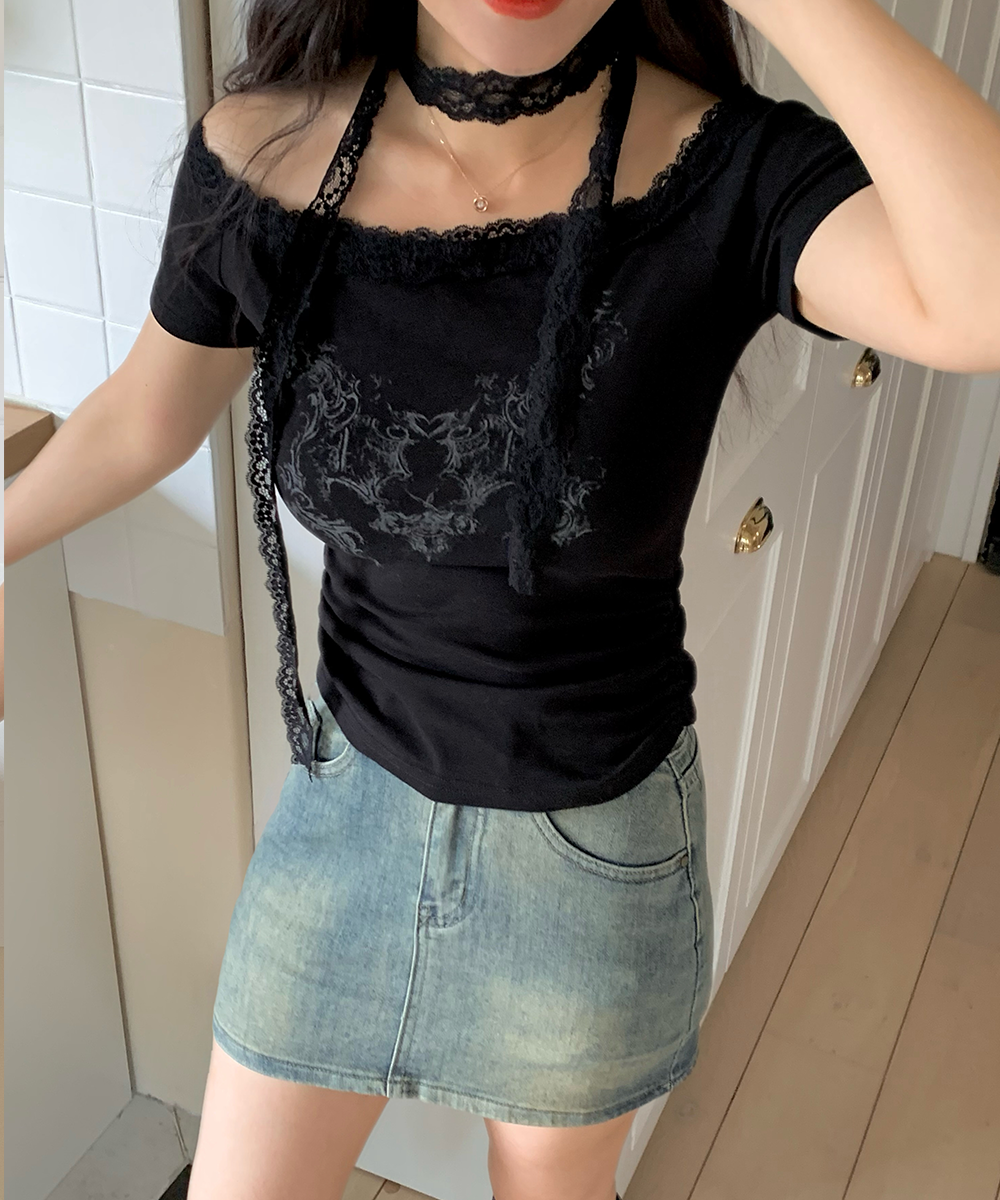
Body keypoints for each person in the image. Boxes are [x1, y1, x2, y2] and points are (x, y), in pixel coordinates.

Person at [5, 0, 1000, 1197]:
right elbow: (141, 418)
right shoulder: (263, 155)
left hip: (589, 857)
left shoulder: (727, 169)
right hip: (346, 814)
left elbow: (981, 300)